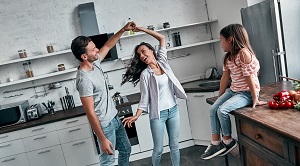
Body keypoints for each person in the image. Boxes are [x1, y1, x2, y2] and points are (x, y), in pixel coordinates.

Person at [70, 22, 136, 166]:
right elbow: (90, 113)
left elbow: (107, 45)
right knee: (108, 161)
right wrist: (102, 138)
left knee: (126, 150)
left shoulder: (95, 63)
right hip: (104, 125)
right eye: (93, 49)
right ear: (84, 56)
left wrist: (123, 30)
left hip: (114, 118)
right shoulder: (84, 80)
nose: (97, 50)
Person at [121, 26, 188, 166]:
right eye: (139, 55)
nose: (142, 56)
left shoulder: (163, 61)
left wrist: (140, 29)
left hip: (173, 110)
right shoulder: (146, 74)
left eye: (143, 51)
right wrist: (137, 115)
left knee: (174, 145)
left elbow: (162, 38)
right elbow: (144, 98)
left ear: (152, 50)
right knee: (158, 149)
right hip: (158, 115)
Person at [201, 24, 267, 160]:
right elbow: (225, 78)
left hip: (246, 93)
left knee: (222, 110)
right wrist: (220, 96)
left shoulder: (243, 54)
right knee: (213, 108)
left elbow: (249, 78)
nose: (220, 43)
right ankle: (215, 143)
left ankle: (228, 141)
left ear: (230, 39)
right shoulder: (228, 57)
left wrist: (255, 98)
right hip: (233, 91)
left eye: (221, 39)